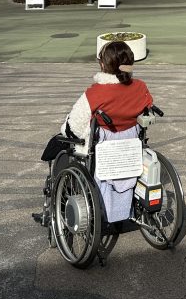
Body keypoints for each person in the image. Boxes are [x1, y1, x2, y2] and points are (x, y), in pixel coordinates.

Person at [60, 40, 153, 222]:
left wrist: (66, 130)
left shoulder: (96, 94)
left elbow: (74, 128)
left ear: (103, 64)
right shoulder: (141, 87)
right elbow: (147, 110)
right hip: (131, 149)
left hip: (104, 153)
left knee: (61, 146)